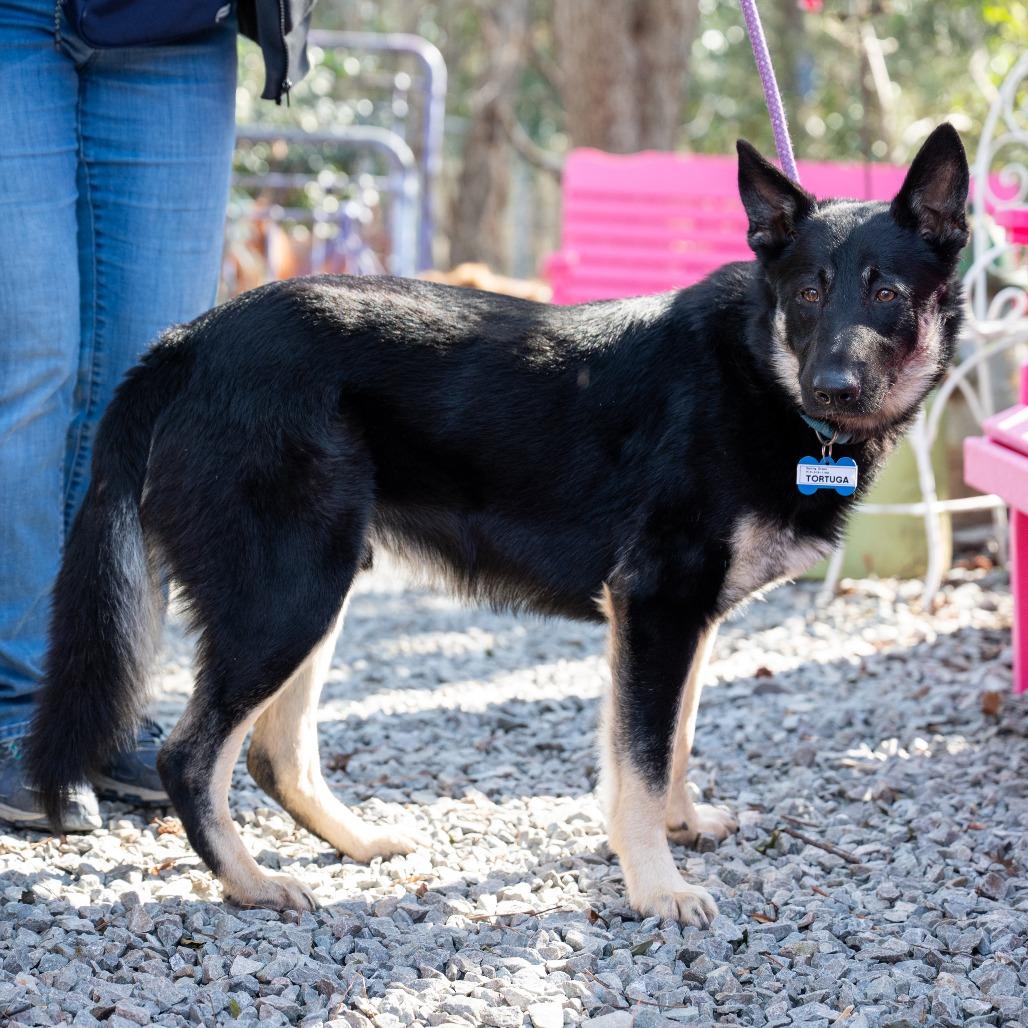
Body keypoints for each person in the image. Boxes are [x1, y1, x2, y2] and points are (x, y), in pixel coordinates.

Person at [0, 0, 316, 829]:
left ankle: (98, 704)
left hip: (172, 27)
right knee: (29, 360)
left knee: (154, 391)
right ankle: (16, 704)